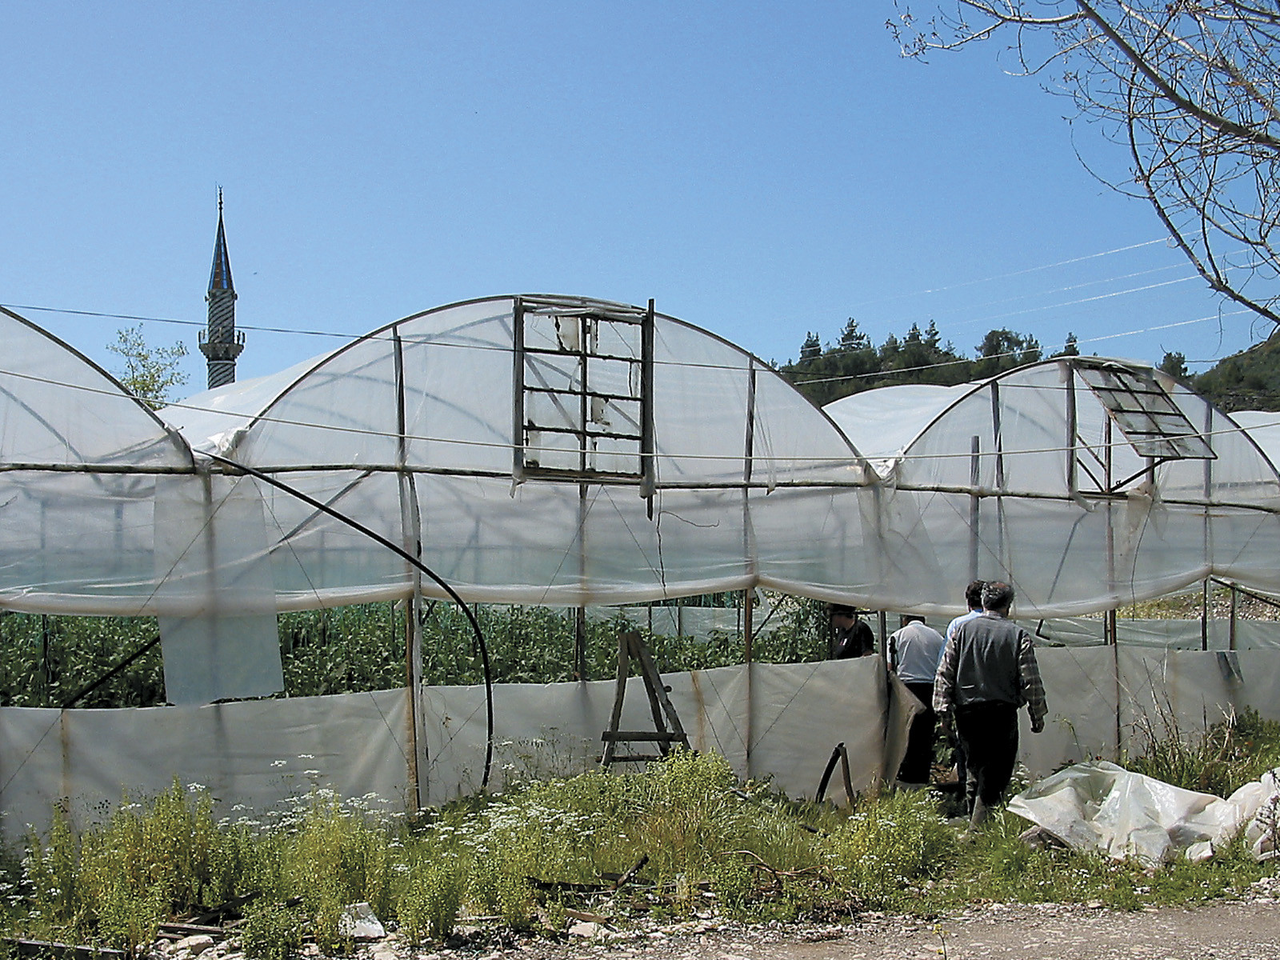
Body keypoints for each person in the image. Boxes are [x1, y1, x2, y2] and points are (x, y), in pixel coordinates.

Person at [933, 581, 1047, 829]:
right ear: (1008, 605)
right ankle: (979, 830)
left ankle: (975, 824)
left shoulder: (961, 631)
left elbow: (945, 672)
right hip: (1000, 712)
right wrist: (1037, 714)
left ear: (983, 602)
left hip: (968, 711)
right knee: (997, 771)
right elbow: (1031, 680)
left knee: (975, 767)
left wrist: (943, 712)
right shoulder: (1017, 635)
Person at [887, 615, 946, 786]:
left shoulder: (897, 636)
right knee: (925, 735)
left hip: (905, 689)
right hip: (929, 688)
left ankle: (905, 776)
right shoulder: (937, 637)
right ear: (924, 620)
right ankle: (922, 776)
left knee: (905, 733)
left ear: (905, 619)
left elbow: (891, 668)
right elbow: (943, 664)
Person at [942, 580, 986, 790]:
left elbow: (946, 664)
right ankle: (991, 800)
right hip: (994, 698)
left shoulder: (957, 625)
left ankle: (967, 792)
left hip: (965, 698)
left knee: (966, 750)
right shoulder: (1001, 625)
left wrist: (944, 705)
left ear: (968, 602)